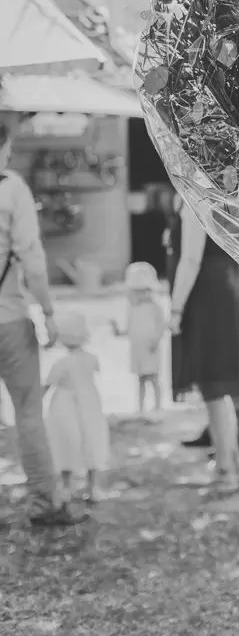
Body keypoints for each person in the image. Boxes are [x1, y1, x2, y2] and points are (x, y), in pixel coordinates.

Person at [0, 123, 85, 527]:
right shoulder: (11, 187)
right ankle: (43, 502)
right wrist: (48, 311)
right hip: (9, 319)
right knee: (29, 412)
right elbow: (31, 257)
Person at [170, 202, 239, 493]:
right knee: (216, 388)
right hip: (227, 291)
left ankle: (225, 470)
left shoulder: (196, 200)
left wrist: (176, 308)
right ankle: (235, 465)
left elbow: (191, 258)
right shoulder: (228, 197)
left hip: (206, 298)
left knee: (213, 388)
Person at [43, 310, 109, 503]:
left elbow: (47, 385)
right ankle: (93, 486)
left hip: (64, 405)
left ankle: (66, 487)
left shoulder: (61, 363)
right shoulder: (91, 359)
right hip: (89, 403)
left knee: (65, 441)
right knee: (92, 439)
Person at [112, 262, 166, 417]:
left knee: (153, 377)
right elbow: (130, 330)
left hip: (150, 347)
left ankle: (157, 406)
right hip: (138, 349)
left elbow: (161, 326)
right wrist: (117, 331)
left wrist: (156, 340)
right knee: (141, 379)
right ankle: (141, 407)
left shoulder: (155, 307)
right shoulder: (132, 309)